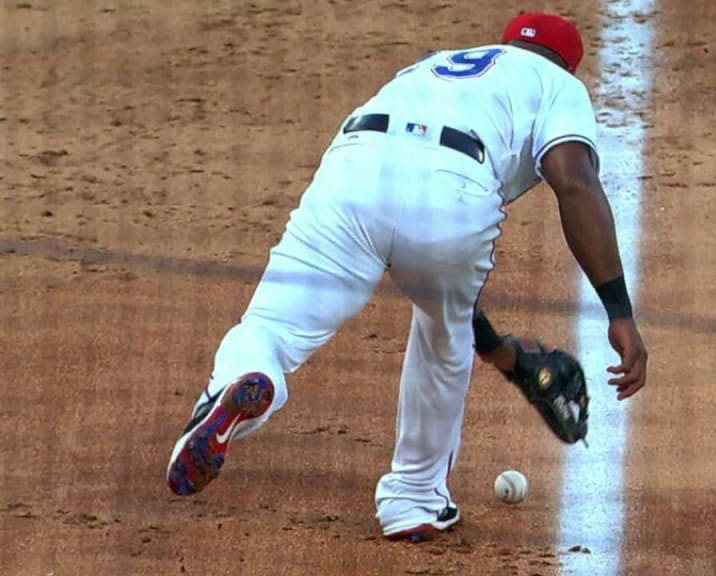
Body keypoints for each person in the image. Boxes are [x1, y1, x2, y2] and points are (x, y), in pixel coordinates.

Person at [165, 12, 648, 542]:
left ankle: (245, 380)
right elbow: (574, 182)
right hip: (454, 187)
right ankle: (413, 500)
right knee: (442, 336)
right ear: (569, 65)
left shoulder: (433, 70)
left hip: (355, 166)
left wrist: (505, 353)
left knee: (273, 325)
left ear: (506, 43)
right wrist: (618, 311)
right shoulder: (558, 85)